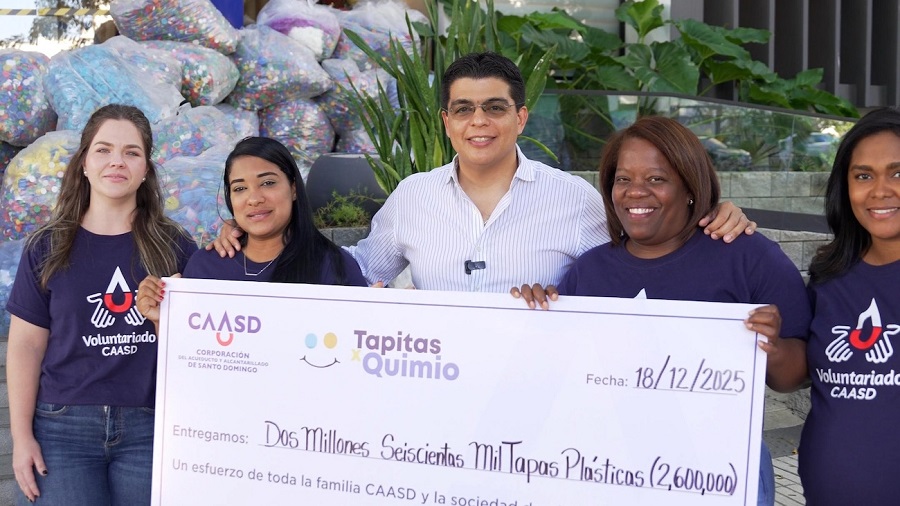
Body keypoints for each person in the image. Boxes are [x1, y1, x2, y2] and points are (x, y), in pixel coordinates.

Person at [211, 52, 755, 292]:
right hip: (439, 394)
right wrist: (261, 230)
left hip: (540, 399)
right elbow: (355, 269)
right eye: (464, 109)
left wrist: (710, 218)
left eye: (495, 107)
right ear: (446, 122)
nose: (479, 122)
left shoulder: (575, 199)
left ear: (520, 117)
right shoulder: (413, 196)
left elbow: (642, 256)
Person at [512, 116, 811, 506]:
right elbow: (555, 379)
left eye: (656, 179)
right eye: (623, 179)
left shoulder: (748, 257)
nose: (636, 191)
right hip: (610, 472)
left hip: (720, 475)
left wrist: (773, 347)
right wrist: (535, 317)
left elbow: (795, 379)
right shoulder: (589, 271)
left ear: (690, 187)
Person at [5, 104, 198, 505]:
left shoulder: (176, 246)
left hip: (152, 427)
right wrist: (21, 438)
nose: (117, 161)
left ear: (146, 169)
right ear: (84, 164)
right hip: (62, 430)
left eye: (131, 152)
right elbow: (25, 346)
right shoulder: (47, 246)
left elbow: (199, 343)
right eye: (103, 149)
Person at [137, 137, 366, 324]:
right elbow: (186, 357)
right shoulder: (205, 267)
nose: (254, 198)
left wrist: (373, 317)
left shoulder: (335, 267)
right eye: (240, 188)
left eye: (268, 183)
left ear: (294, 188)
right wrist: (162, 320)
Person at [798, 107, 900, 505]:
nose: (880, 191)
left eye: (897, 173)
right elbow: (794, 375)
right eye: (863, 176)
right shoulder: (828, 277)